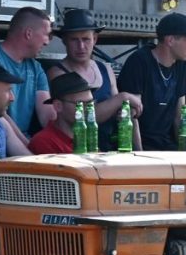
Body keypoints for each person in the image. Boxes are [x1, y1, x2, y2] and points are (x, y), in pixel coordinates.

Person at [47, 9, 141, 151]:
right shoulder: (57, 73)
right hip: (79, 152)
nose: (81, 46)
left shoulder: (105, 69)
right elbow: (82, 117)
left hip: (112, 150)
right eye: (74, 40)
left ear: (95, 39)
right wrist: (124, 97)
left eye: (86, 39)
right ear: (65, 41)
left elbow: (121, 113)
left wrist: (139, 152)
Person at [117, 12, 186, 150]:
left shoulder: (180, 64)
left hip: (168, 147)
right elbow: (131, 117)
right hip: (141, 148)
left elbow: (180, 118)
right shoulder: (139, 62)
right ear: (170, 40)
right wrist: (139, 156)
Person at [0, 6, 55, 144]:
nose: (48, 41)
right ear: (29, 34)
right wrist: (28, 146)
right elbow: (0, 115)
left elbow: (48, 115)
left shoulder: (36, 68)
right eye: (46, 34)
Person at [28, 72, 95, 154]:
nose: (88, 109)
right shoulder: (44, 141)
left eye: (90, 103)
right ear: (58, 106)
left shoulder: (89, 135)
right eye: (79, 104)